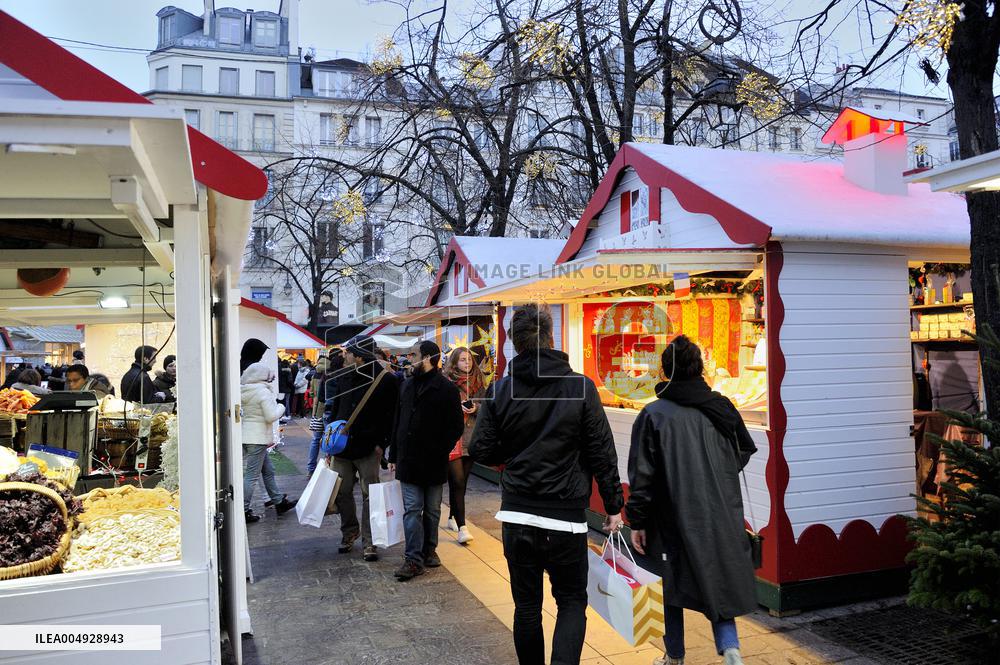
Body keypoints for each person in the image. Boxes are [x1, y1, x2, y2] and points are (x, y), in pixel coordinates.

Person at [469, 304, 624, 665]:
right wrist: (614, 506)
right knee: (571, 601)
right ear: (551, 337)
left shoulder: (501, 389)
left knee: (526, 607)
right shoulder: (581, 387)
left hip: (518, 514)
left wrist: (513, 456)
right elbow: (602, 451)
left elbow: (480, 448)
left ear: (516, 344)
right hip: (565, 518)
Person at [626, 335, 758, 665]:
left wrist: (637, 521)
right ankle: (730, 649)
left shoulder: (654, 414)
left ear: (665, 370)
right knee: (718, 578)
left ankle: (675, 657)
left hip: (669, 517)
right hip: (719, 511)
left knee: (668, 584)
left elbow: (643, 476)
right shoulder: (721, 406)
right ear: (698, 367)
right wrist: (716, 474)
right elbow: (744, 450)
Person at [388, 340, 464, 581]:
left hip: (433, 460)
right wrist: (394, 454)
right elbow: (398, 420)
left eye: (414, 355)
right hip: (409, 459)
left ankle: (430, 550)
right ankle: (413, 559)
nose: (410, 359)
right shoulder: (407, 385)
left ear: (429, 358)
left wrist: (440, 449)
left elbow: (456, 426)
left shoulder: (447, 389)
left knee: (431, 510)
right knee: (412, 509)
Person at [329, 337, 399, 561]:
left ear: (359, 356)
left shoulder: (385, 379)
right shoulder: (343, 376)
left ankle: (370, 541)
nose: (344, 356)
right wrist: (330, 440)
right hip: (342, 447)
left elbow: (391, 416)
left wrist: (382, 445)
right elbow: (335, 409)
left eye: (348, 353)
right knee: (342, 492)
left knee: (372, 496)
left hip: (369, 447)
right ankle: (350, 531)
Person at [240, 362, 297, 522]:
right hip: (257, 438)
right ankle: (243, 510)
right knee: (251, 476)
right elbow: (271, 415)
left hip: (247, 435)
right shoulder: (262, 392)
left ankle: (279, 501)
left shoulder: (243, 389)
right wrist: (281, 407)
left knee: (268, 470)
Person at [443, 346, 486, 545]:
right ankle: (462, 527)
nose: (466, 363)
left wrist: (477, 407)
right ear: (454, 362)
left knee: (461, 483)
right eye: (462, 360)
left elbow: (488, 407)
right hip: (453, 439)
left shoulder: (479, 382)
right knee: (458, 481)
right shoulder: (447, 382)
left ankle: (452, 516)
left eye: (468, 359)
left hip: (471, 438)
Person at [306, 356, 331, 475]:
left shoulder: (314, 375)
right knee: (329, 440)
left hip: (316, 411)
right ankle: (329, 467)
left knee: (315, 439)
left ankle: (311, 468)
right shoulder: (330, 374)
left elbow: (311, 393)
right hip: (327, 411)